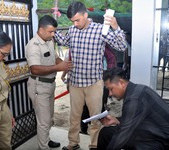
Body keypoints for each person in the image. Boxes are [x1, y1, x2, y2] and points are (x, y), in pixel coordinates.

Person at [54, 2, 127, 150]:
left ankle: (94, 145)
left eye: (77, 20)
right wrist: (51, 30)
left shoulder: (101, 30)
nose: (75, 23)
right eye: (72, 21)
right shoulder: (72, 30)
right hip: (75, 83)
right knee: (74, 117)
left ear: (86, 15)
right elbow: (63, 41)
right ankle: (73, 143)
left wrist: (115, 26)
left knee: (95, 118)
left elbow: (121, 46)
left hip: (94, 83)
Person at [25, 15, 73, 150]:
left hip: (50, 85)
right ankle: (43, 147)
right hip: (39, 86)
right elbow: (34, 69)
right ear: (41, 29)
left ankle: (45, 140)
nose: (53, 35)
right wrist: (59, 67)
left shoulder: (49, 41)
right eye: (51, 31)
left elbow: (55, 58)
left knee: (49, 118)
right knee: (43, 121)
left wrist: (64, 64)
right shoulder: (33, 45)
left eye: (54, 32)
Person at [97, 67, 169, 150]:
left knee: (121, 138)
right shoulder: (136, 90)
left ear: (121, 83)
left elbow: (123, 134)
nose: (110, 94)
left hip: (161, 141)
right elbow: (135, 117)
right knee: (106, 133)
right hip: (149, 132)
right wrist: (117, 120)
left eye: (111, 89)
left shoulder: (135, 98)